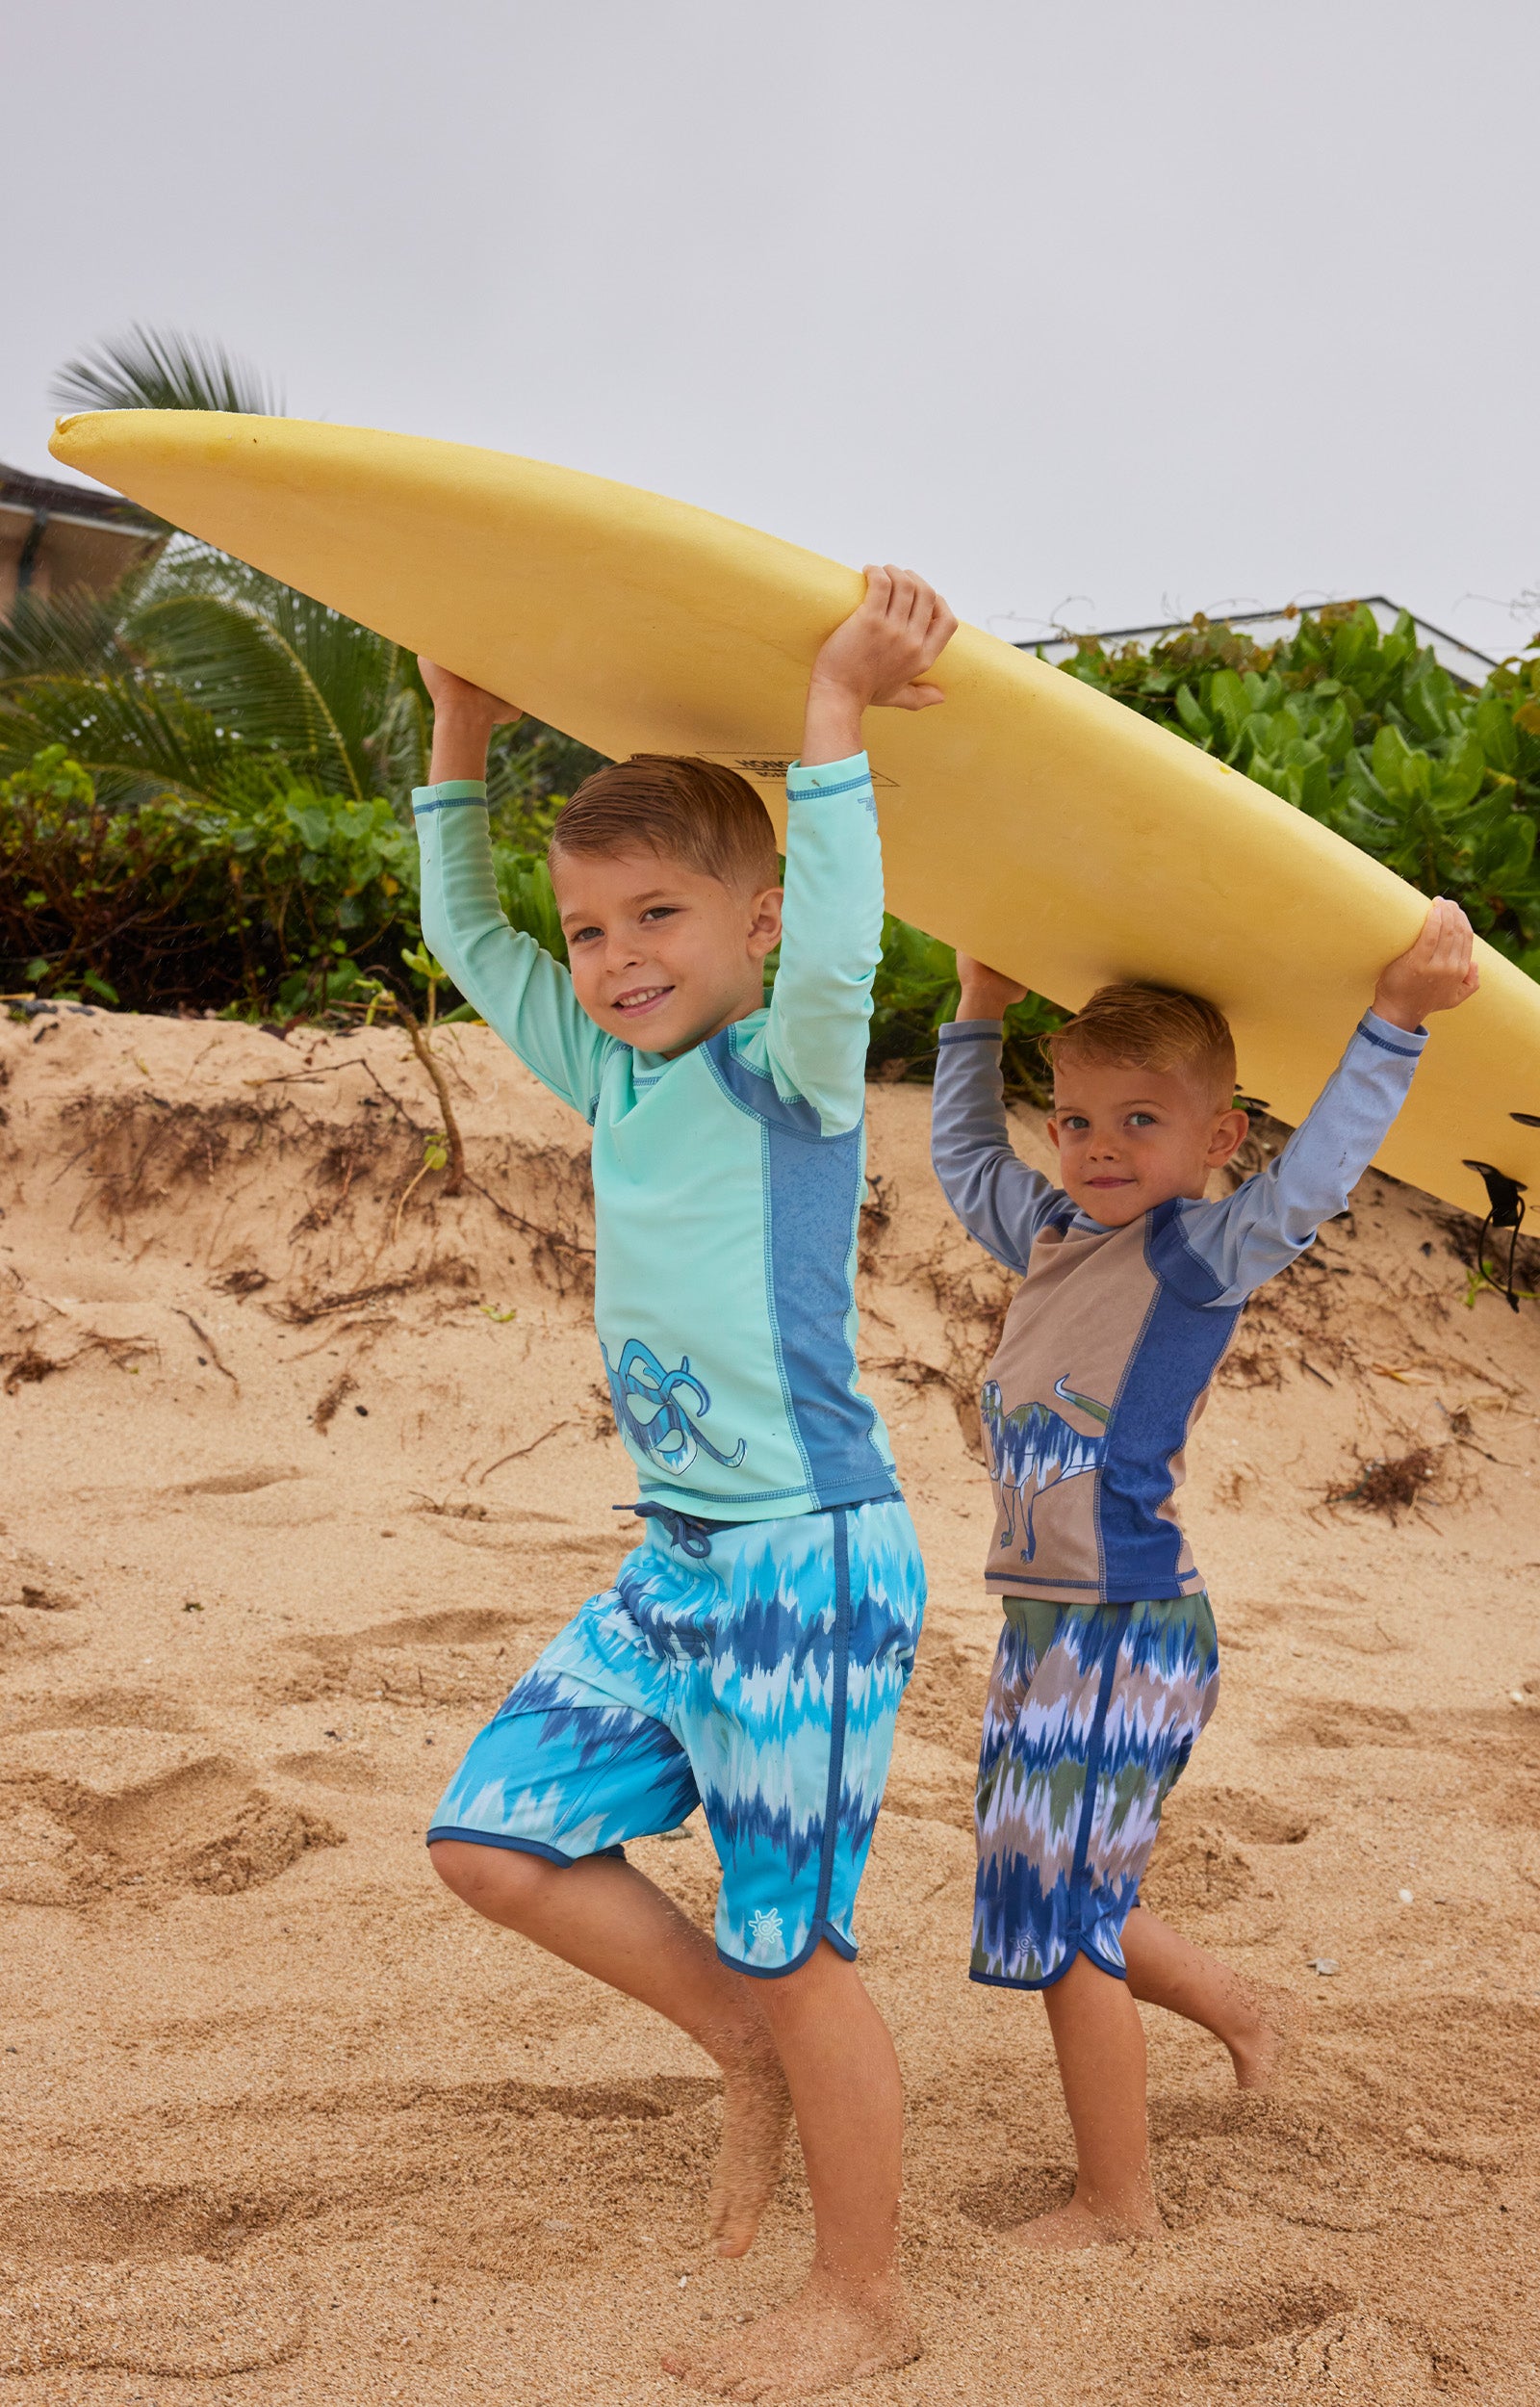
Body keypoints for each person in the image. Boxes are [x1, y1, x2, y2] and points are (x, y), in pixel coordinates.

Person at [415, 565, 957, 2394]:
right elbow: (472, 944)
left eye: (660, 913)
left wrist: (834, 711)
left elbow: (850, 947)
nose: (617, 954)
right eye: (593, 927)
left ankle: (861, 2297)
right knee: (492, 1837)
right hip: (682, 1561)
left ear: (754, 923)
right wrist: (459, 736)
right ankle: (745, 2039)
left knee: (799, 1946)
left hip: (810, 1561)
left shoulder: (788, 1074)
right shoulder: (613, 1078)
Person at [930, 899, 1479, 2248]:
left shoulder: (1196, 1253)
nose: (1101, 1148)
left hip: (1130, 1629)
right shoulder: (1055, 1232)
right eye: (1076, 1120)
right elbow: (960, 1161)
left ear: (1214, 1140)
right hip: (1046, 1630)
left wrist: (1395, 1020)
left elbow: (1314, 1188)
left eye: (1141, 1121)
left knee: (1062, 1929)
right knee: (1035, 1890)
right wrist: (977, 1009)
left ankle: (1118, 2203)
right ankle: (1238, 2007)